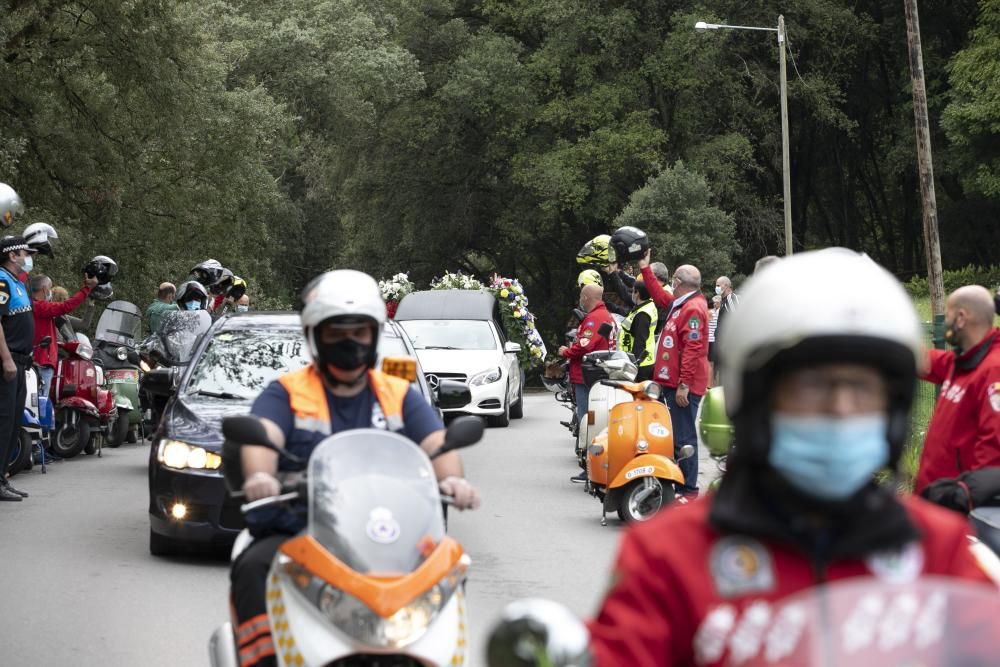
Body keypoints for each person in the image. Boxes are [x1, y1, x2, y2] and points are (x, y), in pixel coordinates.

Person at [589, 249, 1000, 667]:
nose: (841, 408)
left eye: (862, 389)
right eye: (812, 386)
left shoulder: (936, 551)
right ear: (758, 400)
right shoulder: (670, 554)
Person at [229, 270, 480, 667]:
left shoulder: (398, 394)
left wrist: (453, 479)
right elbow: (263, 434)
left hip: (384, 533)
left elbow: (436, 443)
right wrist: (260, 475)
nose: (350, 343)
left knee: (448, 561)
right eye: (337, 334)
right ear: (315, 337)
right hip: (302, 529)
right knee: (255, 565)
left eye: (359, 332)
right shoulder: (287, 391)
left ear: (374, 335)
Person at [913, 285, 1000, 494]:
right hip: (934, 499)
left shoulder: (993, 369)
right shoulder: (963, 360)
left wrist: (964, 496)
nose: (946, 323)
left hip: (956, 507)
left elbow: (993, 450)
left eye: (949, 313)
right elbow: (925, 361)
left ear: (961, 318)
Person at [639, 254, 709, 498]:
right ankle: (679, 483)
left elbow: (693, 349)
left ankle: (688, 489)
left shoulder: (693, 308)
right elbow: (659, 297)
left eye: (672, 280)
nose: (670, 284)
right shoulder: (682, 303)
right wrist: (645, 269)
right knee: (676, 436)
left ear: (678, 281)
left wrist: (684, 385)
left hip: (683, 386)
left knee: (684, 437)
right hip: (673, 382)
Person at [559, 283, 616, 482]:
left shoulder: (594, 318)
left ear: (586, 297)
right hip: (593, 376)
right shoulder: (604, 316)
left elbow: (585, 345)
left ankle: (592, 468)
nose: (581, 300)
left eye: (582, 297)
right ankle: (595, 467)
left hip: (586, 377)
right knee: (594, 421)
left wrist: (565, 352)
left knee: (589, 423)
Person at [0, 236, 35, 500]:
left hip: (21, 361)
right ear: (13, 255)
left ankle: (2, 477)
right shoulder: (1, 280)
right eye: (24, 253)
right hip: (8, 361)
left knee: (13, 422)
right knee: (3, 421)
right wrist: (6, 358)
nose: (27, 257)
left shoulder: (17, 282)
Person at [31, 273, 97, 401]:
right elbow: (66, 306)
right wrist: (86, 289)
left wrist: (91, 303)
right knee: (41, 400)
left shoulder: (35, 307)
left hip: (43, 359)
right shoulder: (41, 307)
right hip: (44, 360)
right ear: (45, 290)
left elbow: (84, 324)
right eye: (49, 288)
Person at [619, 277, 656, 381]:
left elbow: (640, 341)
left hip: (639, 363)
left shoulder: (643, 314)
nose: (631, 293)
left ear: (637, 293)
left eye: (633, 291)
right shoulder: (648, 305)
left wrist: (634, 365)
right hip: (645, 360)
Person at [713, 276, 739, 349]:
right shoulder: (724, 300)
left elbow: (737, 319)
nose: (716, 288)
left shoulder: (730, 298)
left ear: (726, 286)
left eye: (718, 285)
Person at [708, 294, 720, 383]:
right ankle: (710, 380)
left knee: (711, 362)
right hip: (709, 339)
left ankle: (711, 380)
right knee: (710, 362)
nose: (715, 304)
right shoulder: (712, 312)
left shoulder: (718, 312)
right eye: (714, 303)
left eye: (717, 303)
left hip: (713, 339)